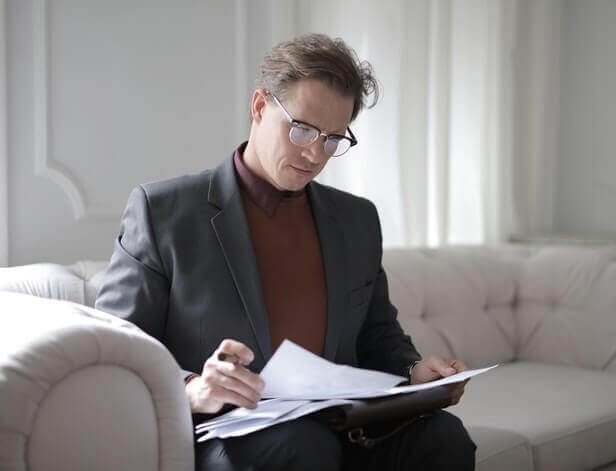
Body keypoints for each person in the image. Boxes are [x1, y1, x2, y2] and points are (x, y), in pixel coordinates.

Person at [96, 33, 476, 470]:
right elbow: (118, 351)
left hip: (340, 423)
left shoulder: (356, 219)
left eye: (333, 139)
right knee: (301, 448)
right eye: (302, 129)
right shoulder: (164, 211)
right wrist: (193, 388)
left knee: (443, 438)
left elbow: (376, 334)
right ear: (259, 107)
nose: (315, 153)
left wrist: (414, 374)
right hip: (231, 432)